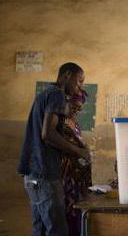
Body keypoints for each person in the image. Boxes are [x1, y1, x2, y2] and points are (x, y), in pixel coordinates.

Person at [17, 62, 91, 236]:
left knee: (40, 229)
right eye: (79, 81)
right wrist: (78, 151)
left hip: (33, 175)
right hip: (45, 173)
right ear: (66, 75)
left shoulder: (45, 94)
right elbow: (48, 134)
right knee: (58, 230)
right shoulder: (57, 94)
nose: (80, 87)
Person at [61, 90, 92, 236]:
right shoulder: (59, 124)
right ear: (64, 104)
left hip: (77, 178)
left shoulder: (76, 124)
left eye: (79, 108)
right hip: (65, 175)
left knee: (77, 212)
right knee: (65, 211)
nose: (76, 111)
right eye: (73, 107)